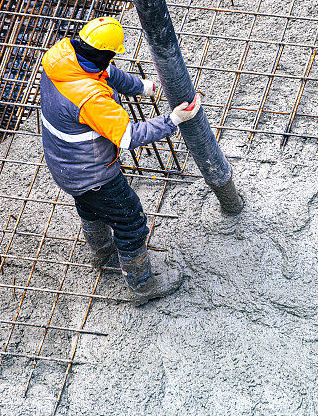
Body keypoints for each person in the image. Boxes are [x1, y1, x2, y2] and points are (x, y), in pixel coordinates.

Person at [38, 16, 201, 305]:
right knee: (131, 222)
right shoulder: (90, 99)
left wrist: (143, 87)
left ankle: (102, 253)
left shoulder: (62, 58)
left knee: (91, 209)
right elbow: (129, 137)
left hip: (64, 166)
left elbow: (108, 73)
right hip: (94, 176)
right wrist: (174, 119)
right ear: (107, 53)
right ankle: (142, 286)